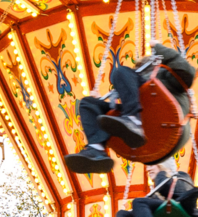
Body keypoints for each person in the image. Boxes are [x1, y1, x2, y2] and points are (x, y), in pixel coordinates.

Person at [65, 42, 196, 174]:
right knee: (89, 103)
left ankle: (133, 120)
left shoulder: (168, 79)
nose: (139, 74)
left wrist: (159, 48)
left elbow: (187, 74)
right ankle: (96, 148)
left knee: (120, 72)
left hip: (168, 119)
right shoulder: (137, 96)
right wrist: (99, 102)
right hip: (146, 129)